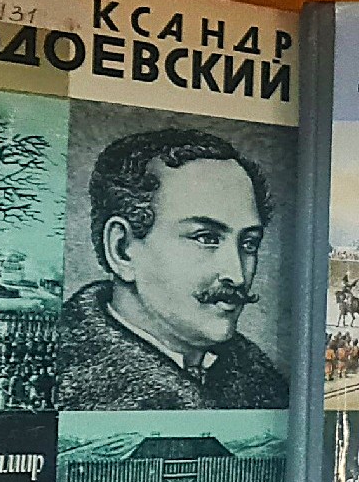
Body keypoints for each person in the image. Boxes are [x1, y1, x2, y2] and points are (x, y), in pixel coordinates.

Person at [60, 128, 288, 410]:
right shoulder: (66, 383)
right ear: (122, 250)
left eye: (249, 243)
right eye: (206, 238)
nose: (237, 275)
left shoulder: (263, 383)